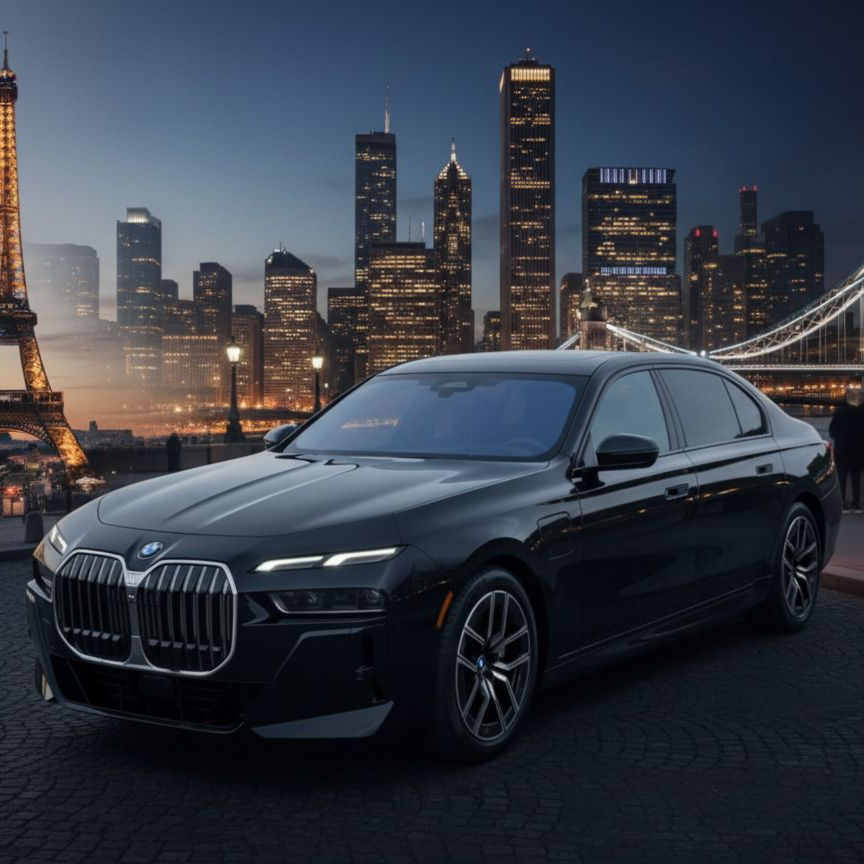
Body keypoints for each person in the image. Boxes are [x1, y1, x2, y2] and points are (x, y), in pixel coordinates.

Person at [829, 387, 864, 514]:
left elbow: (832, 432)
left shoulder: (840, 413)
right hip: (859, 452)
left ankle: (843, 503)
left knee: (842, 479)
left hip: (842, 451)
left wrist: (841, 439)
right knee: (856, 479)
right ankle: (856, 504)